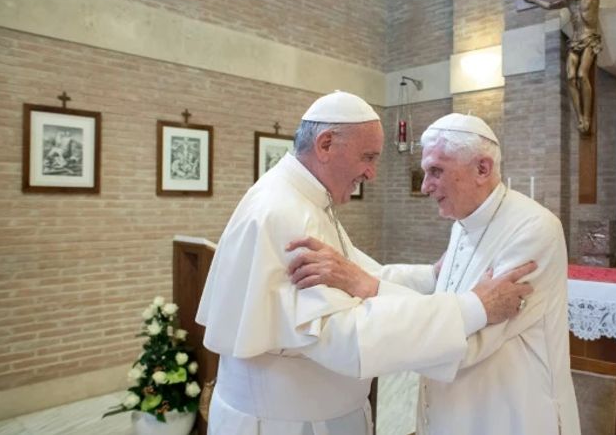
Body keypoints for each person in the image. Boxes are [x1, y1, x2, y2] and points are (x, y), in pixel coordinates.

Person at [195, 92, 535, 435]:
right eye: (368, 157)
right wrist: (474, 308)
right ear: (326, 144)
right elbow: (347, 337)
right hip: (287, 423)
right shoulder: (286, 213)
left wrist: (431, 277)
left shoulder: (303, 200)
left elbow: (356, 275)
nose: (372, 173)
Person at [289, 113, 580, 434]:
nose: (426, 186)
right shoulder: (463, 222)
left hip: (509, 413)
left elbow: (467, 343)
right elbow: (450, 303)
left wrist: (367, 286)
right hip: (452, 411)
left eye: (436, 172)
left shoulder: (532, 228)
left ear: (482, 169)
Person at [524, 0, 616, 135]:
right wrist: (534, 0)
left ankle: (587, 117)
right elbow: (550, 5)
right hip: (574, 42)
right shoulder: (568, 1)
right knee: (570, 78)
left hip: (590, 40)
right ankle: (580, 118)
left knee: (582, 75)